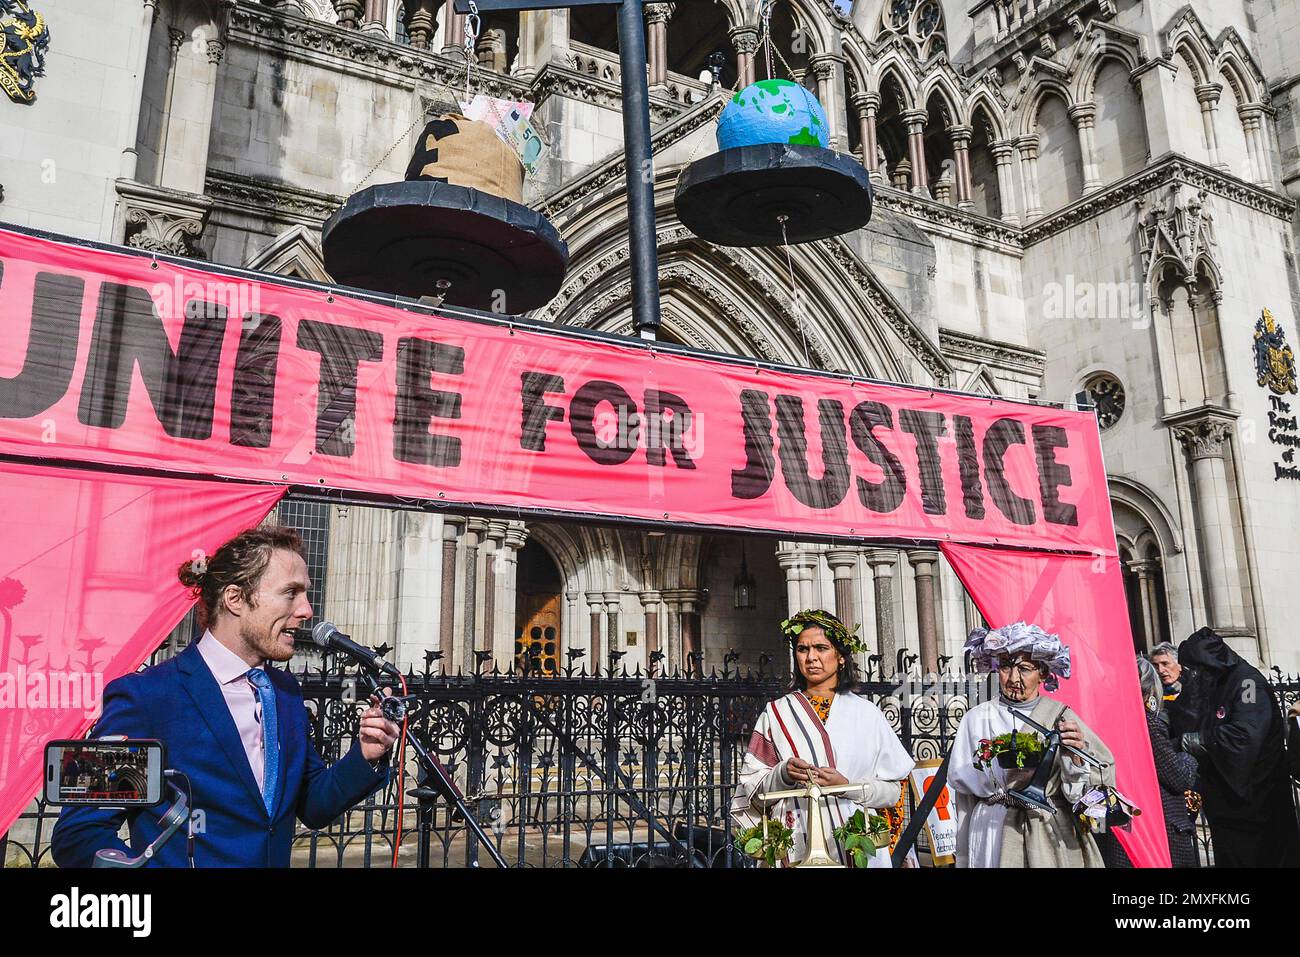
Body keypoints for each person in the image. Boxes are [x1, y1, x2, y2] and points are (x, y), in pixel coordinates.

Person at [52, 526, 399, 868]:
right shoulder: (145, 696)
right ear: (235, 599)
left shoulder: (286, 693)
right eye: (290, 593)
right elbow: (80, 834)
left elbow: (313, 804)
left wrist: (366, 755)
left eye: (306, 594)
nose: (307, 610)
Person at [730, 609, 914, 867]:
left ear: (840, 657)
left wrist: (847, 785)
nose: (811, 657)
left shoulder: (867, 714)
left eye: (821, 648)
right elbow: (751, 790)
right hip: (793, 840)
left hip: (855, 839)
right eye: (803, 649)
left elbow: (893, 793)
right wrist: (783, 774)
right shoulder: (776, 713)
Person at [948, 622, 1115, 868]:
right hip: (992, 830)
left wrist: (1077, 757)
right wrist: (962, 854)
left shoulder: (1063, 717)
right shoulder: (976, 718)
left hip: (1047, 831)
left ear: (1043, 673)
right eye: (1006, 667)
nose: (1014, 678)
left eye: (1025, 669)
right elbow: (965, 799)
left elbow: (1087, 791)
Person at [1176, 627, 1300, 867]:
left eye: (1200, 667)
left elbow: (1245, 733)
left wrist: (1192, 741)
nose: (1198, 673)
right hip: (1226, 803)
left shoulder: (1247, 683)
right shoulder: (1211, 684)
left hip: (1257, 799)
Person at [1096, 656, 1201, 868]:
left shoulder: (1103, 720)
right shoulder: (1146, 724)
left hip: (1124, 827)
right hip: (1155, 829)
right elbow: (1178, 777)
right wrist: (1187, 756)